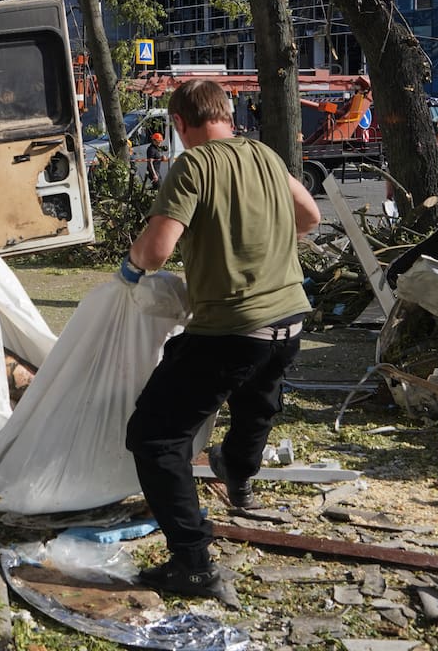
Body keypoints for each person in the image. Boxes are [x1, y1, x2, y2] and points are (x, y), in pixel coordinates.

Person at [121, 79, 320, 598]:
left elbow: (159, 249)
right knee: (256, 402)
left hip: (233, 329)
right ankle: (239, 472)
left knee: (155, 436)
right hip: (291, 320)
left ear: (181, 124)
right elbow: (310, 217)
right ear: (228, 116)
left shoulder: (193, 164)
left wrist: (131, 265)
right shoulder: (267, 156)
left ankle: (193, 563)